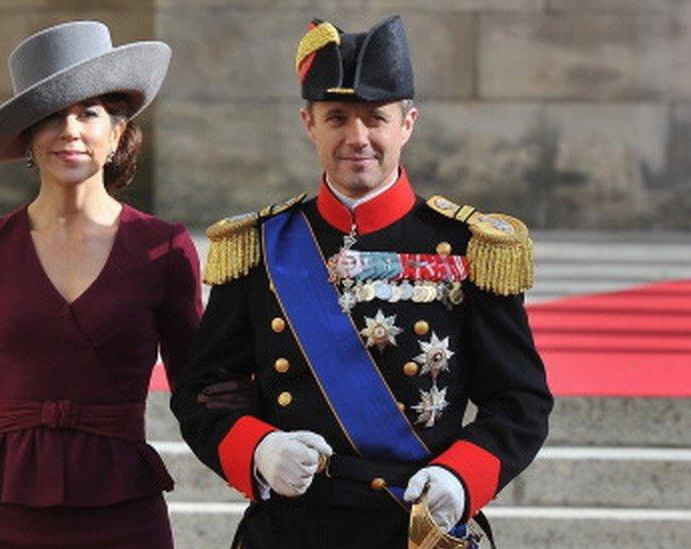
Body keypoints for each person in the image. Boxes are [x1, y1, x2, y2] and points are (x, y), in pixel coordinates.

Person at [171, 15, 552, 548]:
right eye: (337, 118)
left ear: (408, 123)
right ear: (308, 123)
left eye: (376, 118)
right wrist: (257, 449)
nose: (358, 138)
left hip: (415, 524)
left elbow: (519, 400)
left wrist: (461, 476)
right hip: (292, 529)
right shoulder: (260, 245)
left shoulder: (470, 247)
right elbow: (204, 391)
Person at [0, 21, 202, 548]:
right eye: (50, 116)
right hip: (10, 520)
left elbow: (199, 392)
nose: (70, 130)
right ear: (27, 139)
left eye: (87, 112)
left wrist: (260, 460)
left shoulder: (165, 248)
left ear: (117, 132)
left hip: (128, 521)